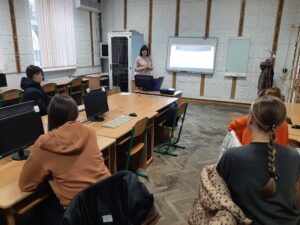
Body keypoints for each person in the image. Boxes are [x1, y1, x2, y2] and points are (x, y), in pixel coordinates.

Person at [19, 94, 111, 224]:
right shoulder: (89, 132)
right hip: (107, 198)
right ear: (75, 114)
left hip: (79, 212)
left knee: (38, 208)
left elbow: (26, 185)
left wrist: (50, 177)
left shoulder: (44, 144)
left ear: (51, 116)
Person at [217, 95, 300, 225]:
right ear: (281, 123)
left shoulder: (232, 156)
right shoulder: (294, 156)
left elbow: (218, 193)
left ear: (249, 120)